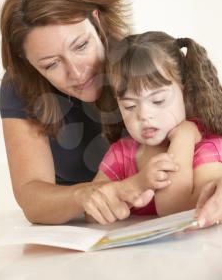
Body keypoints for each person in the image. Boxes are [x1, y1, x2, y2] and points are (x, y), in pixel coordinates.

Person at [0, 0, 160, 224]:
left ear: (96, 20)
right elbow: (32, 197)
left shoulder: (140, 61)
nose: (76, 72)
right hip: (82, 229)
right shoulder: (19, 86)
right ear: (27, 63)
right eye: (51, 64)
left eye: (81, 46)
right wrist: (84, 195)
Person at [84, 31, 222, 224]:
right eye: (130, 106)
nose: (144, 115)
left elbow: (175, 209)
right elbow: (92, 211)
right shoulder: (122, 155)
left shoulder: (208, 148)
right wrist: (137, 183)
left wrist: (183, 137)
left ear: (186, 93)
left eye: (158, 100)